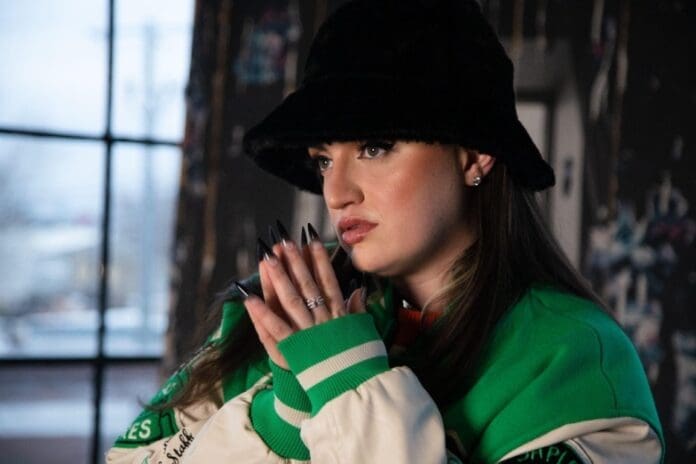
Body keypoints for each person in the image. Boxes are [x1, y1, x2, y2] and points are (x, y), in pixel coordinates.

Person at [107, 0, 664, 462]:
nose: (336, 191)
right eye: (324, 159)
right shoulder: (280, 308)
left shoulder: (577, 359)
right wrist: (278, 420)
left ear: (475, 155)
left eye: (375, 147)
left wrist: (347, 386)